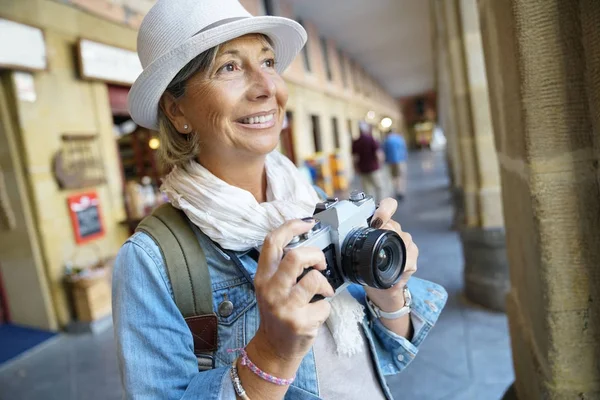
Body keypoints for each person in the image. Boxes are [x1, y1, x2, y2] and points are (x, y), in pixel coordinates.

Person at [113, 1, 447, 399]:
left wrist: (387, 288)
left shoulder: (311, 202)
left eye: (268, 61)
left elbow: (390, 350)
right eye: (229, 67)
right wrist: (271, 355)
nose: (268, 87)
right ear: (176, 109)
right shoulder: (151, 263)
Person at [352, 122, 385, 202]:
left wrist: (356, 168)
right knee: (379, 187)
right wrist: (380, 163)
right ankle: (380, 203)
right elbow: (378, 154)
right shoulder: (371, 139)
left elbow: (355, 158)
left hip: (362, 169)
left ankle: (370, 205)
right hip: (373, 168)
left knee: (367, 190)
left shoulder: (356, 142)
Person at [383, 130, 408, 200]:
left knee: (393, 177)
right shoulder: (400, 139)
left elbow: (384, 152)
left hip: (391, 161)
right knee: (401, 176)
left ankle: (395, 190)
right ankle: (401, 191)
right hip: (400, 160)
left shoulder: (387, 141)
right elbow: (404, 149)